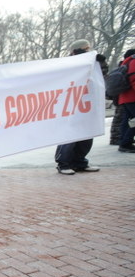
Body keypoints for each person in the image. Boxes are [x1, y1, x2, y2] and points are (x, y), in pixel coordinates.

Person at [54, 39, 105, 175]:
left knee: (86, 134)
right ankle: (63, 163)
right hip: (71, 105)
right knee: (70, 135)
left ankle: (79, 162)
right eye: (86, 48)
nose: (89, 50)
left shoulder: (93, 62)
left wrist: (101, 64)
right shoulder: (68, 64)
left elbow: (102, 78)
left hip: (87, 104)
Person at [116, 48, 135, 153]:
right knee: (133, 121)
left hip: (125, 97)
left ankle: (124, 142)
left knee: (127, 120)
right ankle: (125, 143)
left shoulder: (125, 63)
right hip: (132, 96)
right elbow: (134, 79)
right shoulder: (133, 61)